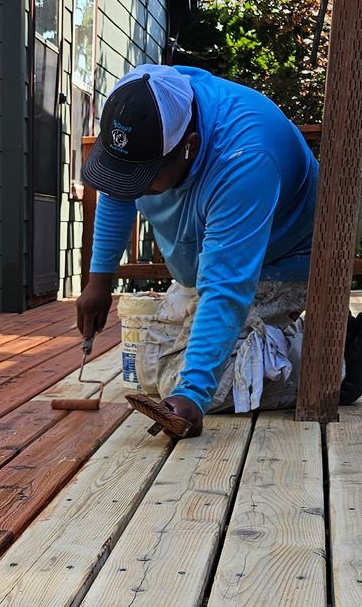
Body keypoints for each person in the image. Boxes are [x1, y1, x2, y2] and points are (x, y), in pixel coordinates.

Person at [78, 63, 360, 437]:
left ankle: (338, 360)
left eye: (145, 178)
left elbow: (227, 286)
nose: (134, 186)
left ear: (190, 145)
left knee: (213, 387)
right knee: (149, 371)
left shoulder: (246, 157)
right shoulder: (139, 101)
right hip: (208, 258)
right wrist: (98, 283)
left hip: (279, 257)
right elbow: (118, 191)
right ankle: (271, 341)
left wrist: (194, 394)